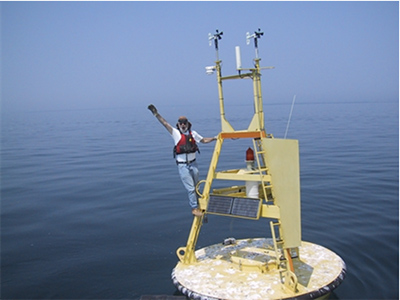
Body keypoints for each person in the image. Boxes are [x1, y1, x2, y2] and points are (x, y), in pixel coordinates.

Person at [148, 104, 217, 216]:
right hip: (183, 166)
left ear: (188, 124)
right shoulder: (176, 134)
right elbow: (165, 123)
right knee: (190, 189)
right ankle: (194, 208)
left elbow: (203, 140)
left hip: (193, 164)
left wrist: (214, 138)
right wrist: (156, 113)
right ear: (178, 125)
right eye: (181, 123)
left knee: (196, 187)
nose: (183, 125)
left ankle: (200, 204)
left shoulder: (193, 134)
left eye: (185, 123)